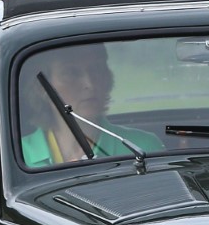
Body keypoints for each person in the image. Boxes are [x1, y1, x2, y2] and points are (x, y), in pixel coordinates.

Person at [21, 42, 163, 165]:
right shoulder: (18, 155)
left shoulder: (143, 147)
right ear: (42, 88)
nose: (89, 84)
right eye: (71, 73)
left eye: (97, 69)